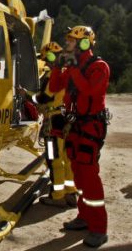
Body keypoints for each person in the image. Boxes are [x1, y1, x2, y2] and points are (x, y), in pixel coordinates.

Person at [47, 25, 110, 248]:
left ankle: (99, 229)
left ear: (84, 44)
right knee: (78, 175)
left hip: (91, 127)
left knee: (90, 177)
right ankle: (84, 217)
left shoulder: (99, 67)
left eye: (72, 42)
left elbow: (90, 91)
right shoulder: (72, 66)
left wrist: (71, 69)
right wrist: (57, 67)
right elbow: (54, 87)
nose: (68, 45)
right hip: (74, 126)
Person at [37, 41, 78, 209]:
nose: (45, 63)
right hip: (67, 120)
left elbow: (44, 98)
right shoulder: (68, 74)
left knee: (54, 159)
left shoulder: (52, 76)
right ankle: (70, 193)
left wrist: (27, 96)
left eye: (46, 60)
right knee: (67, 159)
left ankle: (57, 195)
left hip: (54, 121)